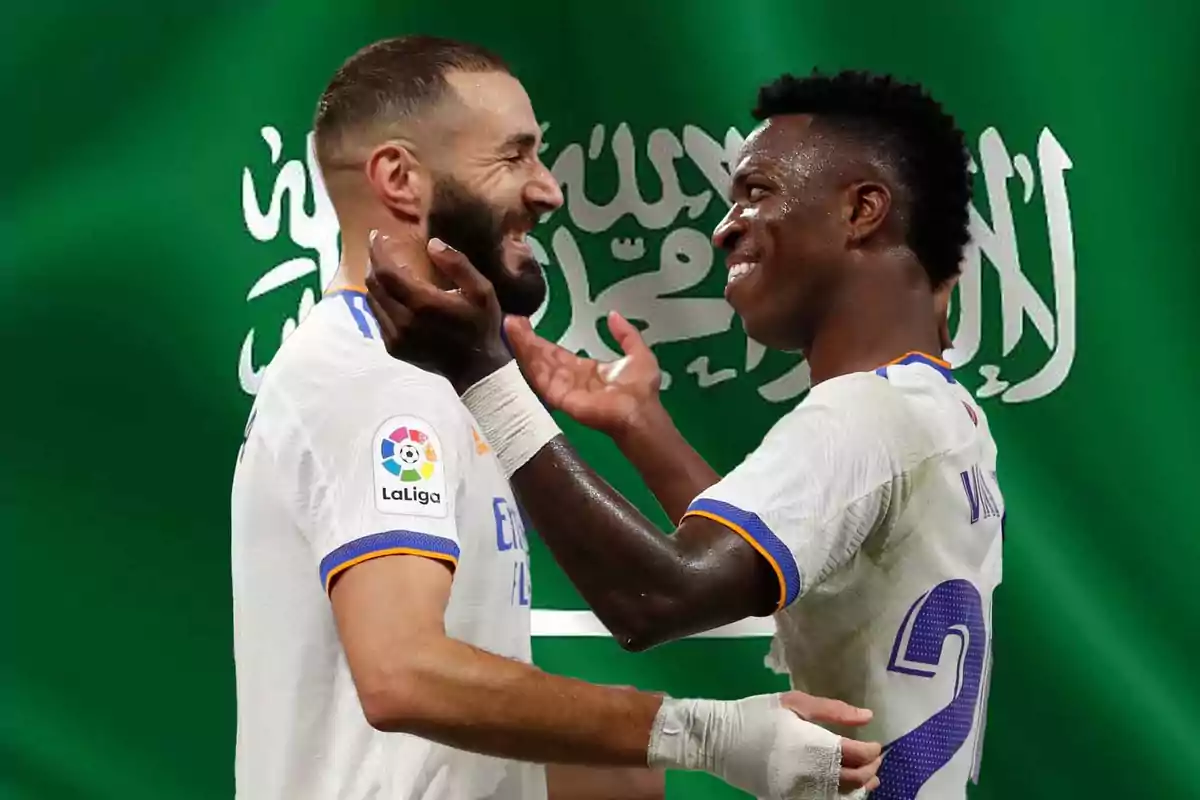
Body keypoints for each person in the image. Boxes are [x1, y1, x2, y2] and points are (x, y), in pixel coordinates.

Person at [231, 37, 883, 800]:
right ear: (400, 179)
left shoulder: (426, 376)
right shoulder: (371, 378)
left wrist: (643, 773)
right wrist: (706, 733)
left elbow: (433, 754)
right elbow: (403, 677)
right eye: (515, 158)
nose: (548, 191)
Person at [365, 69, 1003, 800]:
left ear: (862, 210)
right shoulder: (944, 412)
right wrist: (642, 428)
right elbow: (781, 558)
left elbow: (656, 599)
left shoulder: (863, 418)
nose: (724, 226)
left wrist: (484, 377)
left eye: (756, 192)